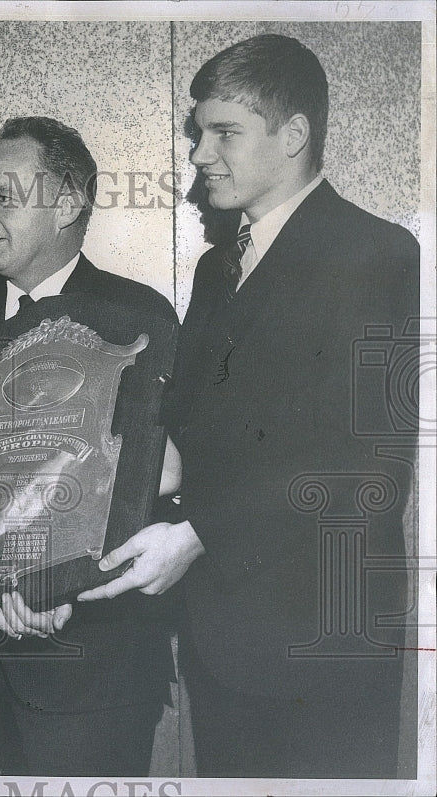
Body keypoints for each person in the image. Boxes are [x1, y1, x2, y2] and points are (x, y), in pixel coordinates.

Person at [78, 34, 419, 778]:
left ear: (293, 135)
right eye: (199, 131)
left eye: (224, 131)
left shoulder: (380, 254)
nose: (200, 153)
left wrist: (198, 532)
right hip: (222, 641)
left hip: (322, 647)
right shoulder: (215, 268)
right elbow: (192, 444)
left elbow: (370, 468)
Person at [0, 116, 179, 776]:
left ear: (66, 204)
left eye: (3, 196)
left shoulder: (138, 317)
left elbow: (145, 485)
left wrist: (60, 587)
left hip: (92, 673)